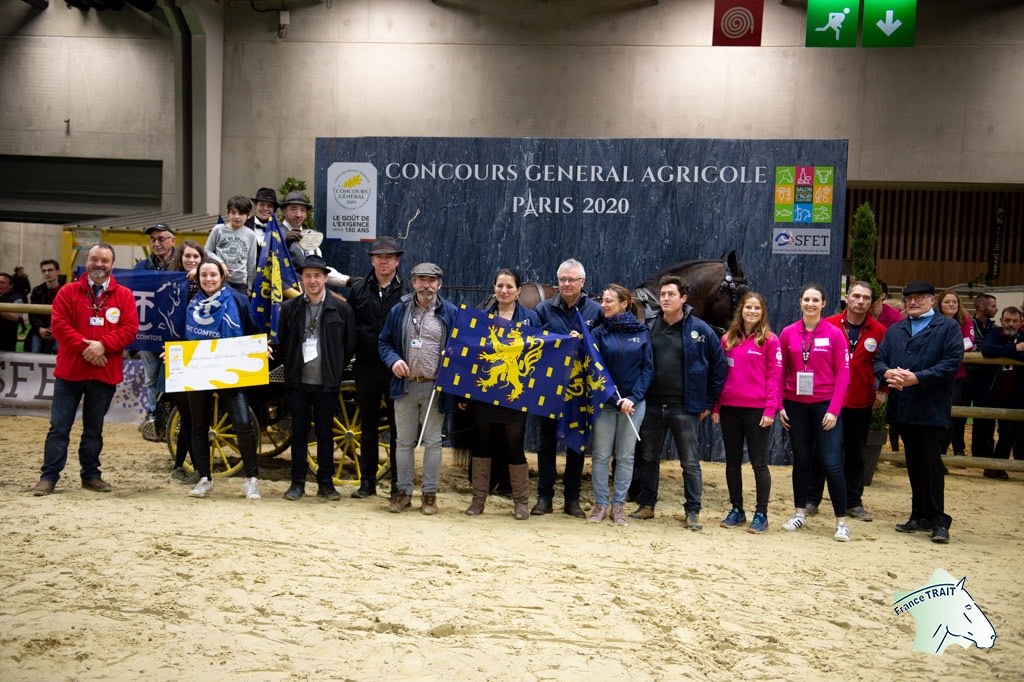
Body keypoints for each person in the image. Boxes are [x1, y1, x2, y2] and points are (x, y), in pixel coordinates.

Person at [32, 243, 139, 495]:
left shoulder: (124, 295)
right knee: (59, 428)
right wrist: (88, 348)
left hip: (103, 374)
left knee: (94, 430)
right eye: (94, 259)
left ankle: (90, 475)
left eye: (104, 260)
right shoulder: (68, 292)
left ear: (112, 264)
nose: (99, 264)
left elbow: (130, 329)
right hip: (70, 374)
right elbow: (59, 325)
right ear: (87, 261)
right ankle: (49, 477)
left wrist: (103, 345)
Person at [631, 275, 727, 530]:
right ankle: (647, 504)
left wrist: (707, 401)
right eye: (662, 295)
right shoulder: (649, 326)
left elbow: (719, 366)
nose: (665, 299)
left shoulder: (701, 329)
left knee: (690, 462)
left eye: (671, 294)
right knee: (649, 458)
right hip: (652, 405)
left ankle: (692, 511)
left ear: (683, 299)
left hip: (685, 408)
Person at [874, 281, 962, 543]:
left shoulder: (948, 327)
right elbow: (879, 359)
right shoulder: (896, 330)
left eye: (920, 298)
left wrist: (917, 378)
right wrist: (886, 372)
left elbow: (950, 364)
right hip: (905, 408)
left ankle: (938, 519)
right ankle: (918, 514)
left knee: (932, 463)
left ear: (932, 301)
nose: (913, 302)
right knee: (913, 463)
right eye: (909, 298)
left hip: (932, 407)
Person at [378, 262, 458, 515]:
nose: (427, 285)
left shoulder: (451, 313)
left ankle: (430, 495)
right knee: (403, 442)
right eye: (421, 279)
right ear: (413, 282)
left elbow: (464, 346)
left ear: (439, 284)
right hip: (405, 385)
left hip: (435, 387)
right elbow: (384, 343)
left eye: (432, 280)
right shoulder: (399, 310)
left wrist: (453, 354)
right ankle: (402, 493)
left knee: (433, 443)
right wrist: (394, 361)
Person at [461, 268, 541, 520]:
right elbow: (470, 355)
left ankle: (520, 502)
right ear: (494, 289)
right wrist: (464, 393)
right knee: (482, 444)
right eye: (499, 286)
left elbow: (540, 353)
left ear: (518, 290)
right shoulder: (481, 318)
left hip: (515, 394)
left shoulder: (531, 319)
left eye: (509, 286)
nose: (504, 291)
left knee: (514, 445)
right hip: (484, 390)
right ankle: (478, 500)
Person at [805, 281, 887, 522]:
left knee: (856, 454)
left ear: (871, 302)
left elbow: (886, 361)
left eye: (865, 298)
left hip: (861, 402)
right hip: (828, 402)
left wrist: (882, 389)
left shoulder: (879, 331)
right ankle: (812, 499)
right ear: (847, 298)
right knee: (819, 452)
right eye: (856, 296)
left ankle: (854, 503)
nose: (860, 301)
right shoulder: (827, 324)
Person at [278, 255, 356, 502]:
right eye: (307, 276)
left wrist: (335, 369)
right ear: (301, 279)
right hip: (298, 383)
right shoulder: (289, 308)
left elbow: (349, 344)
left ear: (326, 278)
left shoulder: (341, 308)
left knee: (325, 433)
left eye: (317, 276)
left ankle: (326, 483)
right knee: (299, 433)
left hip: (327, 383)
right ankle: (297, 483)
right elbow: (283, 341)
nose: (312, 281)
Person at [778, 284, 851, 541]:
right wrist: (780, 406)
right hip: (795, 405)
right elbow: (780, 372)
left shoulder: (834, 334)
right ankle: (799, 513)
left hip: (824, 407)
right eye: (806, 299)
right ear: (800, 302)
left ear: (823, 304)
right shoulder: (788, 333)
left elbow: (843, 374)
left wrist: (834, 410)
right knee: (801, 460)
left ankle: (841, 522)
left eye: (815, 300)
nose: (810, 304)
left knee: (831, 463)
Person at [531, 258, 603, 518]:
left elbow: (601, 347)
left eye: (572, 279)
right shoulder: (543, 309)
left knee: (577, 443)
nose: (567, 284)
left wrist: (582, 342)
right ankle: (544, 497)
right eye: (562, 279)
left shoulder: (596, 311)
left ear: (582, 282)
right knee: (546, 443)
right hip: (549, 387)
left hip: (580, 390)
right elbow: (534, 342)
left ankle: (572, 499)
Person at [185, 258, 262, 500]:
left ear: (222, 277)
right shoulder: (190, 303)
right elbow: (180, 334)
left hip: (231, 365)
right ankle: (204, 478)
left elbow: (251, 328)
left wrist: (261, 347)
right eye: (204, 275)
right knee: (199, 425)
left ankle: (251, 479)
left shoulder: (237, 299)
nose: (208, 279)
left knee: (242, 422)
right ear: (198, 278)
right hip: (197, 367)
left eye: (213, 275)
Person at [711, 291, 780, 534]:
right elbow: (721, 375)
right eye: (748, 307)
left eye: (757, 308)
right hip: (730, 409)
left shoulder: (770, 340)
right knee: (732, 463)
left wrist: (770, 409)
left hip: (758, 411)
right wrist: (717, 406)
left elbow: (775, 377)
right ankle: (737, 509)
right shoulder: (728, 339)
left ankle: (761, 513)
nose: (752, 311)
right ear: (741, 310)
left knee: (759, 463)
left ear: (762, 313)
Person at [347, 236, 410, 499]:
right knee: (368, 425)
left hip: (396, 367)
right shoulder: (359, 290)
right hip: (366, 365)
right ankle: (367, 482)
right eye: (379, 257)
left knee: (399, 429)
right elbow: (350, 327)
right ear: (372, 260)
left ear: (397, 260)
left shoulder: (407, 291)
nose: (384, 262)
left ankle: (399, 484)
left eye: (389, 257)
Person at [588, 285, 653, 526]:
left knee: (626, 457)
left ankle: (618, 506)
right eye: (602, 301)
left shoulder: (642, 332)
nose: (603, 305)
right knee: (601, 456)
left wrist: (632, 398)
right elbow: (594, 369)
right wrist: (611, 398)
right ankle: (600, 504)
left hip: (633, 406)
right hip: (606, 405)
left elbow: (647, 370)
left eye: (609, 301)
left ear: (624, 304)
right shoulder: (598, 333)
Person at [167, 240, 206, 483]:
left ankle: (182, 464)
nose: (191, 260)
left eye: (196, 257)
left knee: (194, 415)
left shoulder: (209, 287)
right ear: (180, 258)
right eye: (187, 256)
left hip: (200, 356)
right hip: (176, 356)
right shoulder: (170, 286)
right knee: (187, 414)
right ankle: (184, 464)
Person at [135, 223, 177, 424]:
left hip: (174, 330)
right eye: (153, 239)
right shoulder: (141, 267)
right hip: (148, 331)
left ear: (172, 240)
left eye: (161, 238)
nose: (157, 243)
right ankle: (154, 416)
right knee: (151, 376)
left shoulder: (183, 262)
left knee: (173, 375)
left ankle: (172, 417)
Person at [977, 307, 1024, 480]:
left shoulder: (1023, 336)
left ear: (1020, 323)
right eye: (1007, 320)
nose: (1010, 324)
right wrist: (1015, 349)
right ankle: (989, 466)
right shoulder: (993, 334)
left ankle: (1000, 465)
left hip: (1014, 395)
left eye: (1014, 321)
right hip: (990, 392)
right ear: (1002, 321)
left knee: (1008, 433)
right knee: (985, 431)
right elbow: (987, 350)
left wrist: (1010, 350)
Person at [280, 191, 350, 287]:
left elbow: (320, 269)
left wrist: (348, 281)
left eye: (303, 210)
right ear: (284, 211)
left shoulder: (310, 237)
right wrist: (283, 243)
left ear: (306, 214)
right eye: (293, 209)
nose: (298, 215)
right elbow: (268, 264)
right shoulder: (275, 234)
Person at [936, 289, 975, 459]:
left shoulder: (965, 319)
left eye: (954, 302)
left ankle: (943, 452)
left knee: (952, 416)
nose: (951, 304)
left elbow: (969, 344)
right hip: (935, 375)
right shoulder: (933, 320)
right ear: (939, 304)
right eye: (947, 302)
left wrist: (944, 347)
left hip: (957, 376)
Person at [204, 195, 258, 294]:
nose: (237, 217)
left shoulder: (251, 235)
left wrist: (250, 286)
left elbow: (251, 263)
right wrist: (220, 263)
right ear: (227, 213)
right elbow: (207, 250)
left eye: (241, 213)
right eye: (233, 212)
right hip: (219, 280)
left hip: (240, 283)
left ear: (248, 215)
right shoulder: (218, 229)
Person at [968, 293, 999, 460]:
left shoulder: (994, 329)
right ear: (981, 307)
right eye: (993, 306)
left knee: (985, 417)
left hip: (986, 378)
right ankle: (958, 451)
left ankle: (982, 453)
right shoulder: (967, 325)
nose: (996, 309)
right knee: (959, 417)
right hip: (967, 376)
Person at [26, 260, 64, 354]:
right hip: (41, 328)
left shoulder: (68, 290)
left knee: (58, 350)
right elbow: (32, 314)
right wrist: (39, 328)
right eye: (44, 271)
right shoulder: (37, 291)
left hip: (62, 329)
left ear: (58, 271)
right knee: (35, 350)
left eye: (50, 270)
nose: (47, 273)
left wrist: (57, 329)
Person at [0, 272, 25, 352]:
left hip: (6, 340)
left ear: (10, 286)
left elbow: (16, 317)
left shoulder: (17, 299)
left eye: (2, 282)